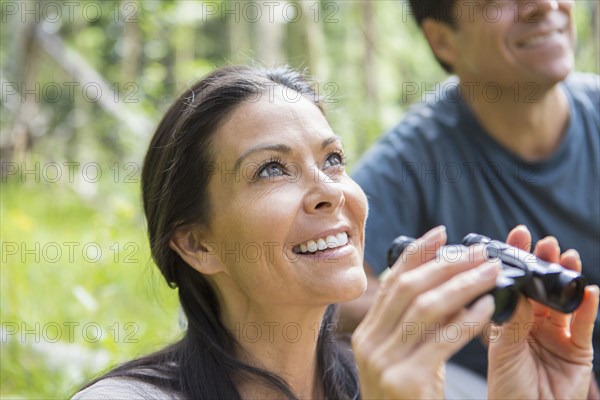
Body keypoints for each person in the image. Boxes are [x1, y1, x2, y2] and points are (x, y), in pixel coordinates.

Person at [71, 65, 598, 399]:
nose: (331, 190)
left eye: (334, 159)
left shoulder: (430, 383)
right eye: (272, 169)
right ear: (197, 244)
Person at [348, 0, 600, 396]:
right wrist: (466, 304)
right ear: (443, 40)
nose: (543, 6)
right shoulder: (413, 156)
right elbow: (343, 292)